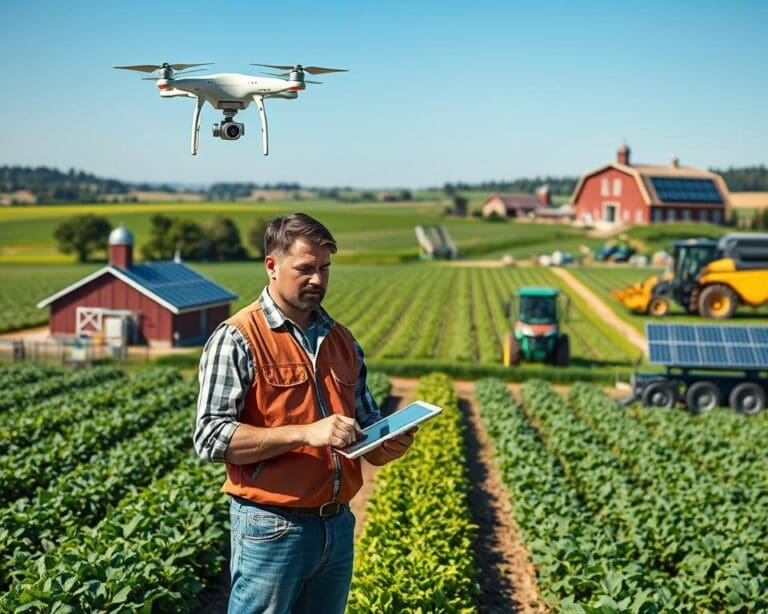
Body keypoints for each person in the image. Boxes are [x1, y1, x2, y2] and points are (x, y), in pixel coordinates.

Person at [194, 212, 415, 614]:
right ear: (272, 266)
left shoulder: (342, 339)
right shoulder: (238, 337)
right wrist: (305, 433)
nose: (318, 279)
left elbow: (367, 432)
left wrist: (390, 442)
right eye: (306, 269)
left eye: (325, 268)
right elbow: (210, 437)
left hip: (336, 525)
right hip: (271, 527)